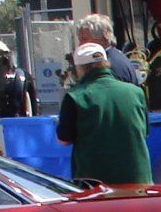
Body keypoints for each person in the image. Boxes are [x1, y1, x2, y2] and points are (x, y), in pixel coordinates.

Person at [57, 42, 151, 185]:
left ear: (80, 69)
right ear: (106, 63)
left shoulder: (75, 97)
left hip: (95, 187)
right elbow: (144, 132)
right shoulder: (136, 92)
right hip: (138, 181)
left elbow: (63, 139)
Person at [76, 13, 139, 86]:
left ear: (102, 38)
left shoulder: (110, 64)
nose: (80, 45)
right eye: (80, 40)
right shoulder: (117, 57)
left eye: (84, 39)